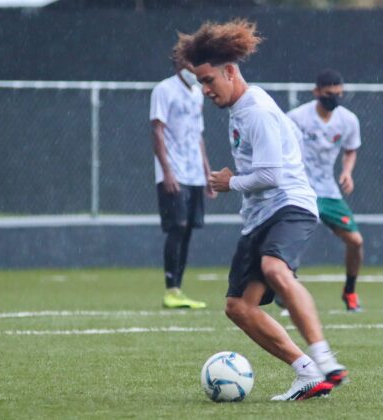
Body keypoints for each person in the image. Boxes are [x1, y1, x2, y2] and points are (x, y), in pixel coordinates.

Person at [175, 19, 348, 401]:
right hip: (258, 216)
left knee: (274, 268)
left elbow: (271, 175)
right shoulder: (241, 109)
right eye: (200, 82)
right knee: (238, 307)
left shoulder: (256, 110)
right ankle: (308, 374)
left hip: (289, 204)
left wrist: (230, 181)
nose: (205, 90)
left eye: (208, 80)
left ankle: (325, 359)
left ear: (230, 71)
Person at [287, 68, 364, 313]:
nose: (335, 99)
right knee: (291, 240)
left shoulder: (348, 120)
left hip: (328, 191)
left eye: (339, 94)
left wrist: (347, 172)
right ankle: (285, 291)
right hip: (299, 189)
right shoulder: (297, 118)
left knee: (355, 241)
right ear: (317, 92)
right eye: (330, 94)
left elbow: (351, 150)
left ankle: (350, 292)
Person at [149, 50, 216, 309]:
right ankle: (171, 289)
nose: (195, 67)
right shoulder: (164, 90)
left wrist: (207, 172)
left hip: (194, 172)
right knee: (177, 225)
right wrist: (166, 171)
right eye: (191, 61)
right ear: (179, 62)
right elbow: (157, 130)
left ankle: (178, 289)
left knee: (188, 229)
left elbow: (198, 135)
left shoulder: (198, 92)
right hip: (174, 171)